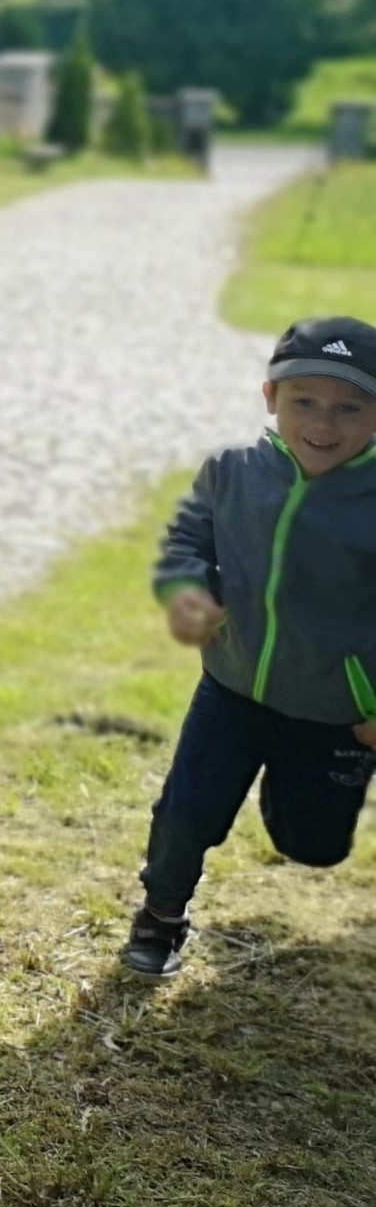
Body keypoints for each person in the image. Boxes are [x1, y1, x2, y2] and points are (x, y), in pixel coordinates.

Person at [123, 315, 376, 980]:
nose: (323, 423)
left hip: (333, 713)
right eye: (305, 401)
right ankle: (161, 916)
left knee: (313, 845)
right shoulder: (232, 473)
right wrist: (185, 589)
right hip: (231, 686)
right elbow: (188, 538)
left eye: (349, 408)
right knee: (186, 811)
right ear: (270, 397)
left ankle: (288, 786)